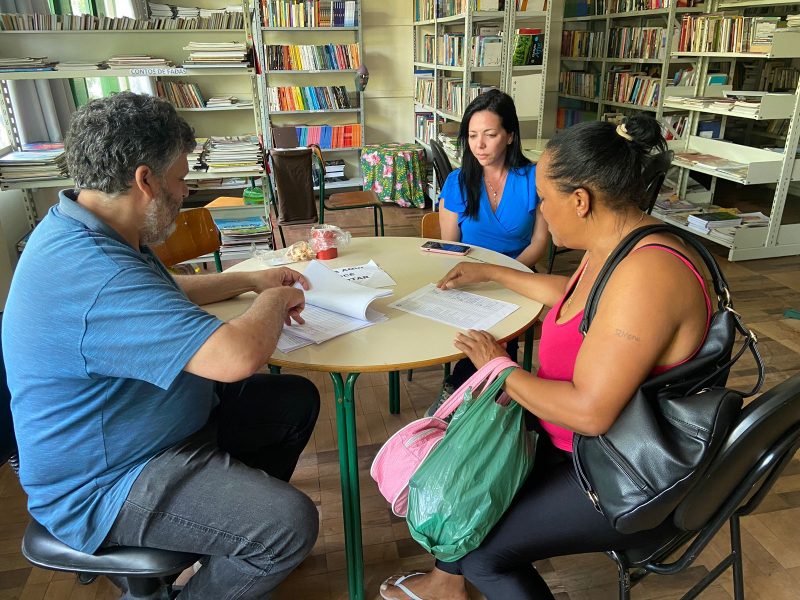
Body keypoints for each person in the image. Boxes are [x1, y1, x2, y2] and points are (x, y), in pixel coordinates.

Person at [2, 92, 320, 599]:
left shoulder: (89, 226)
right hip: (105, 484)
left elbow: (165, 290)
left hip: (150, 435)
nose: (186, 187)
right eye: (179, 176)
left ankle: (228, 547)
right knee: (289, 525)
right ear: (145, 180)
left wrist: (252, 280)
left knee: (291, 400)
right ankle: (229, 565)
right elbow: (237, 357)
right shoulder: (96, 273)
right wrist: (277, 299)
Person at [381, 115, 712, 600]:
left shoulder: (648, 273)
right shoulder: (621, 244)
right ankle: (445, 588)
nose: (539, 208)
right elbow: (577, 296)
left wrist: (499, 368)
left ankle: (455, 582)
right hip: (576, 443)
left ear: (580, 201)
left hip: (617, 467)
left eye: (544, 198)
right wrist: (494, 273)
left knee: (478, 547)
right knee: (464, 489)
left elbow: (589, 412)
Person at [432, 89, 549, 410]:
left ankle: (461, 394)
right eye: (472, 135)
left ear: (510, 136)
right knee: (484, 330)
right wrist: (477, 279)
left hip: (520, 274)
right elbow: (451, 247)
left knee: (497, 330)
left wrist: (501, 277)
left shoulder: (535, 178)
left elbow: (539, 244)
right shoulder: (458, 181)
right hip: (469, 278)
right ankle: (490, 395)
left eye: (490, 134)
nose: (479, 145)